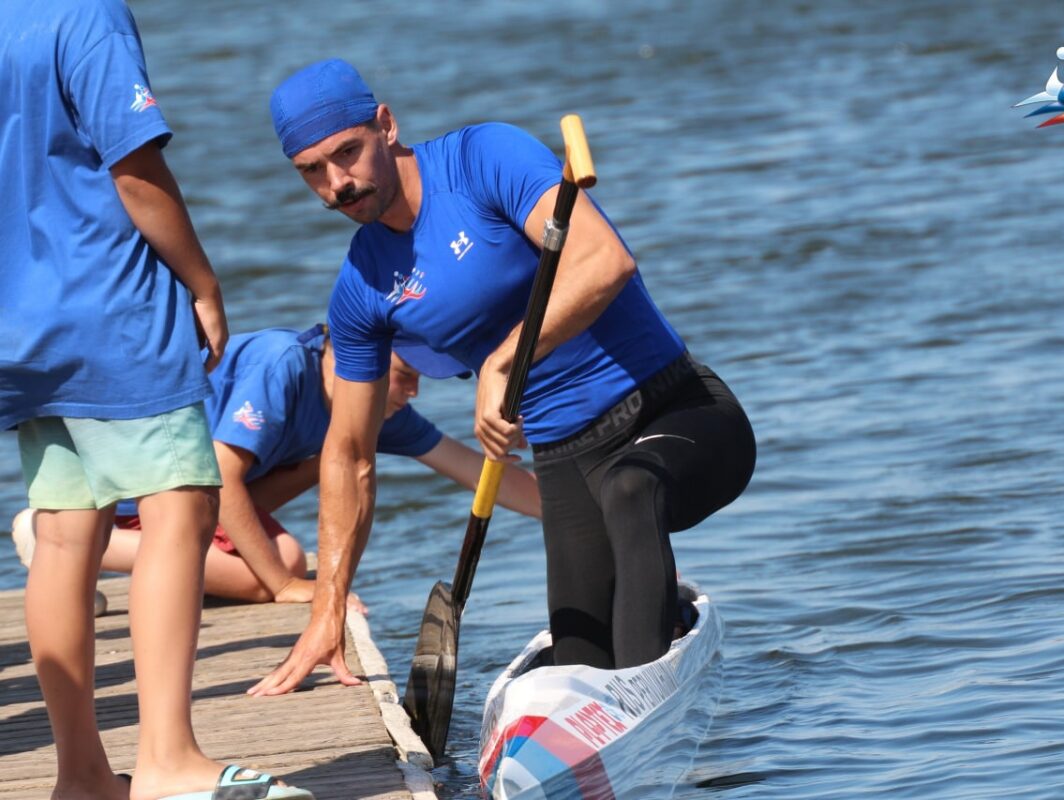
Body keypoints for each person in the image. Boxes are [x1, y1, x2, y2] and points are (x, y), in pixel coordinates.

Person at [249, 59, 755, 697]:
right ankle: (631, 670)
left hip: (675, 412)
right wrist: (327, 609)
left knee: (631, 491)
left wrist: (502, 360)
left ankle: (645, 698)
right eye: (311, 173)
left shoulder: (482, 159)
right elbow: (348, 456)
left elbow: (604, 260)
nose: (336, 184)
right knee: (578, 659)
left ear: (386, 125)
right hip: (568, 463)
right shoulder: (361, 290)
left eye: (346, 154)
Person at [0, 2, 311, 798]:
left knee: (66, 536)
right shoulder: (86, 15)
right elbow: (135, 171)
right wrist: (203, 282)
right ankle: (170, 762)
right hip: (110, 305)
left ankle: (82, 776)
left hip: (18, 319)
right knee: (181, 506)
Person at [11, 324, 541, 605]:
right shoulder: (283, 366)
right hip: (144, 488)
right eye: (403, 373)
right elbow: (221, 470)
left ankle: (83, 567)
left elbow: (470, 468)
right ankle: (69, 541)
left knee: (287, 555)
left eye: (421, 378)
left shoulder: (376, 408)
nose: (412, 391)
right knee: (276, 575)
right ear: (349, 351)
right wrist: (284, 591)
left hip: (207, 497)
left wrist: (568, 510)